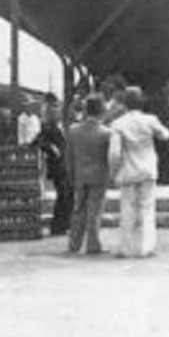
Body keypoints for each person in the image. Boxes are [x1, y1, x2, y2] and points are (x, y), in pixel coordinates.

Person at [109, 87, 169, 257]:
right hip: (147, 170)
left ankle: (127, 248)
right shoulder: (150, 120)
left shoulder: (118, 124)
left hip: (128, 171)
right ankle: (146, 248)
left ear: (125, 104)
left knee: (127, 209)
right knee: (147, 208)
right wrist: (163, 131)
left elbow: (114, 153)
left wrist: (113, 172)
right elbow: (166, 135)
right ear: (141, 102)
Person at [66, 94, 113, 255]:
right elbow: (109, 157)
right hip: (99, 176)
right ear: (101, 111)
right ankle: (93, 245)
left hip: (80, 175)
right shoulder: (106, 133)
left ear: (86, 110)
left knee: (78, 209)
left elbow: (69, 156)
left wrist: (71, 175)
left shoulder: (73, 130)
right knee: (95, 211)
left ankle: (74, 244)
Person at [32, 99, 73, 235]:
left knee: (67, 195)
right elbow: (37, 142)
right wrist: (51, 148)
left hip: (64, 165)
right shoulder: (48, 127)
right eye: (55, 111)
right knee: (64, 195)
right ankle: (58, 226)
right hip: (57, 166)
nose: (58, 113)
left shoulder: (59, 126)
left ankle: (64, 224)